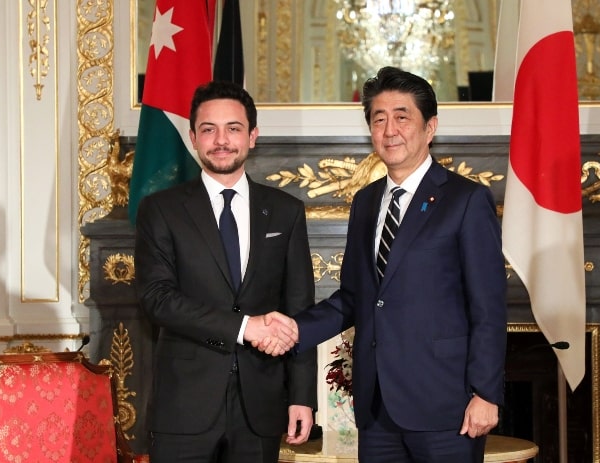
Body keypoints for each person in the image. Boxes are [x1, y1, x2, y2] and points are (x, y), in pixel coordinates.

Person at [258, 66, 507, 462]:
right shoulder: (367, 201)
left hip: (447, 410)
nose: (390, 129)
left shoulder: (466, 200)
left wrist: (486, 393)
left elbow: (489, 307)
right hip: (377, 411)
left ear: (430, 127)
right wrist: (293, 329)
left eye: (402, 116)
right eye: (379, 118)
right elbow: (356, 297)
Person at [134, 80, 317, 463]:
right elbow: (157, 299)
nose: (221, 140)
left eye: (233, 128)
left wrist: (302, 397)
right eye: (208, 129)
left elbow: (299, 308)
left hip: (261, 408)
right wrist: (244, 327)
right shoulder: (161, 209)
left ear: (252, 136)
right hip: (183, 407)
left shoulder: (286, 210)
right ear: (193, 137)